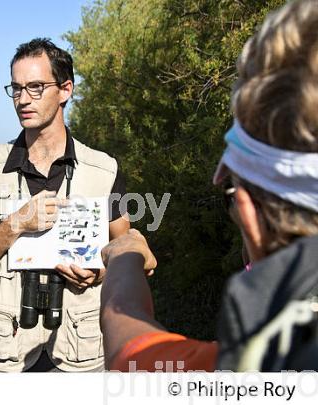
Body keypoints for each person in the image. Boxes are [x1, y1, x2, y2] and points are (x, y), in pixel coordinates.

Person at [100, 0, 318, 372]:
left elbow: (132, 349)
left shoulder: (255, 373)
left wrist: (124, 256)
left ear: (249, 211)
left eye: (230, 190)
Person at [0, 38, 130, 372]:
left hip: (81, 353)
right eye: (17, 88)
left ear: (65, 90)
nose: (23, 99)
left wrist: (99, 272)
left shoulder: (104, 170)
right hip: (3, 354)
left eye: (36, 87)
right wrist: (15, 224)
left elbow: (127, 251)